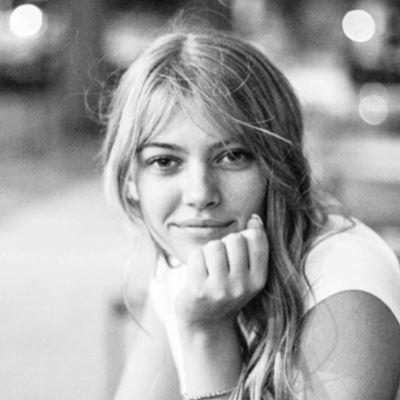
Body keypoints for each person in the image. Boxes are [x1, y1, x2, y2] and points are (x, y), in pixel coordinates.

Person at [102, 30, 400, 400]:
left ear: (278, 164)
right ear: (130, 180)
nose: (200, 194)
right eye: (165, 161)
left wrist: (207, 335)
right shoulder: (188, 266)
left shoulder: (344, 281)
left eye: (232, 156)